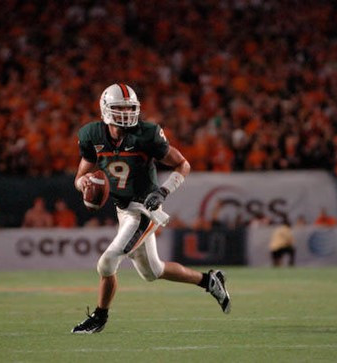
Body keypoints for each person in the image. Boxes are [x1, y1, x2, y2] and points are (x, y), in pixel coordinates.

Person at [71, 83, 231, 334]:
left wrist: (163, 191)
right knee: (152, 271)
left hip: (144, 210)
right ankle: (209, 281)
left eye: (129, 107)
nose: (125, 113)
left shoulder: (146, 134)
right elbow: (80, 176)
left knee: (107, 262)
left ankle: (99, 317)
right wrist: (85, 184)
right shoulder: (92, 135)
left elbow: (182, 164)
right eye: (119, 108)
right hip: (122, 210)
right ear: (105, 110)